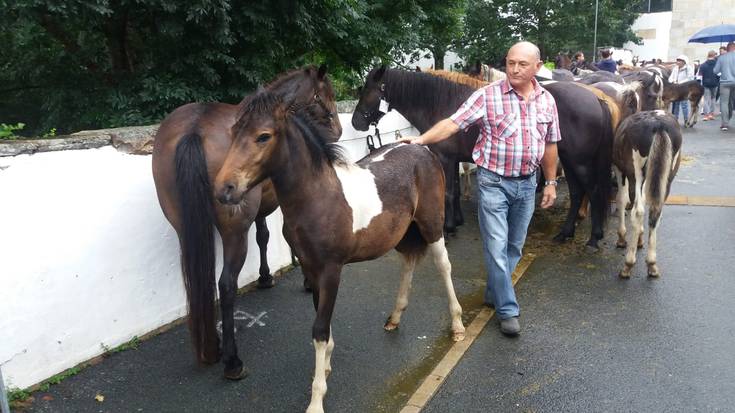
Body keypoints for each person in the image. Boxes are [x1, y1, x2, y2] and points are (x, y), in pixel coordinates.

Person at [400, 41, 560, 337]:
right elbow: (453, 123)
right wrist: (422, 140)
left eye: (522, 64)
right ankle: (508, 309)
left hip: (527, 185)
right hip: (493, 183)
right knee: (496, 247)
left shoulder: (547, 100)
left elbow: (550, 143)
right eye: (510, 62)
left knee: (514, 247)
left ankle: (494, 290)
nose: (514, 69)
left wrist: (550, 182)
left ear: (537, 67)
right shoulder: (487, 96)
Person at [714, 42, 735, 131]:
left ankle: (725, 123)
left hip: (724, 82)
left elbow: (715, 71)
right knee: (731, 102)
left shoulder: (721, 58)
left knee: (724, 102)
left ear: (727, 48)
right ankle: (729, 117)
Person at [668, 55, 695, 125]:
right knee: (675, 104)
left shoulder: (688, 68)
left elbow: (690, 78)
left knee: (684, 105)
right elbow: (671, 77)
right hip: (675, 88)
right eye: (678, 60)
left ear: (684, 62)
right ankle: (675, 119)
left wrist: (680, 83)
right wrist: (672, 81)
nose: (678, 62)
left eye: (680, 61)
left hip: (684, 89)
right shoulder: (675, 68)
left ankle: (686, 119)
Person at [699, 51, 720, 121]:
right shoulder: (717, 64)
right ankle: (711, 114)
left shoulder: (702, 65)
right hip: (715, 83)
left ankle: (706, 115)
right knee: (713, 99)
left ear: (708, 55)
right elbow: (719, 74)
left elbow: (700, 76)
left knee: (706, 99)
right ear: (714, 56)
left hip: (706, 84)